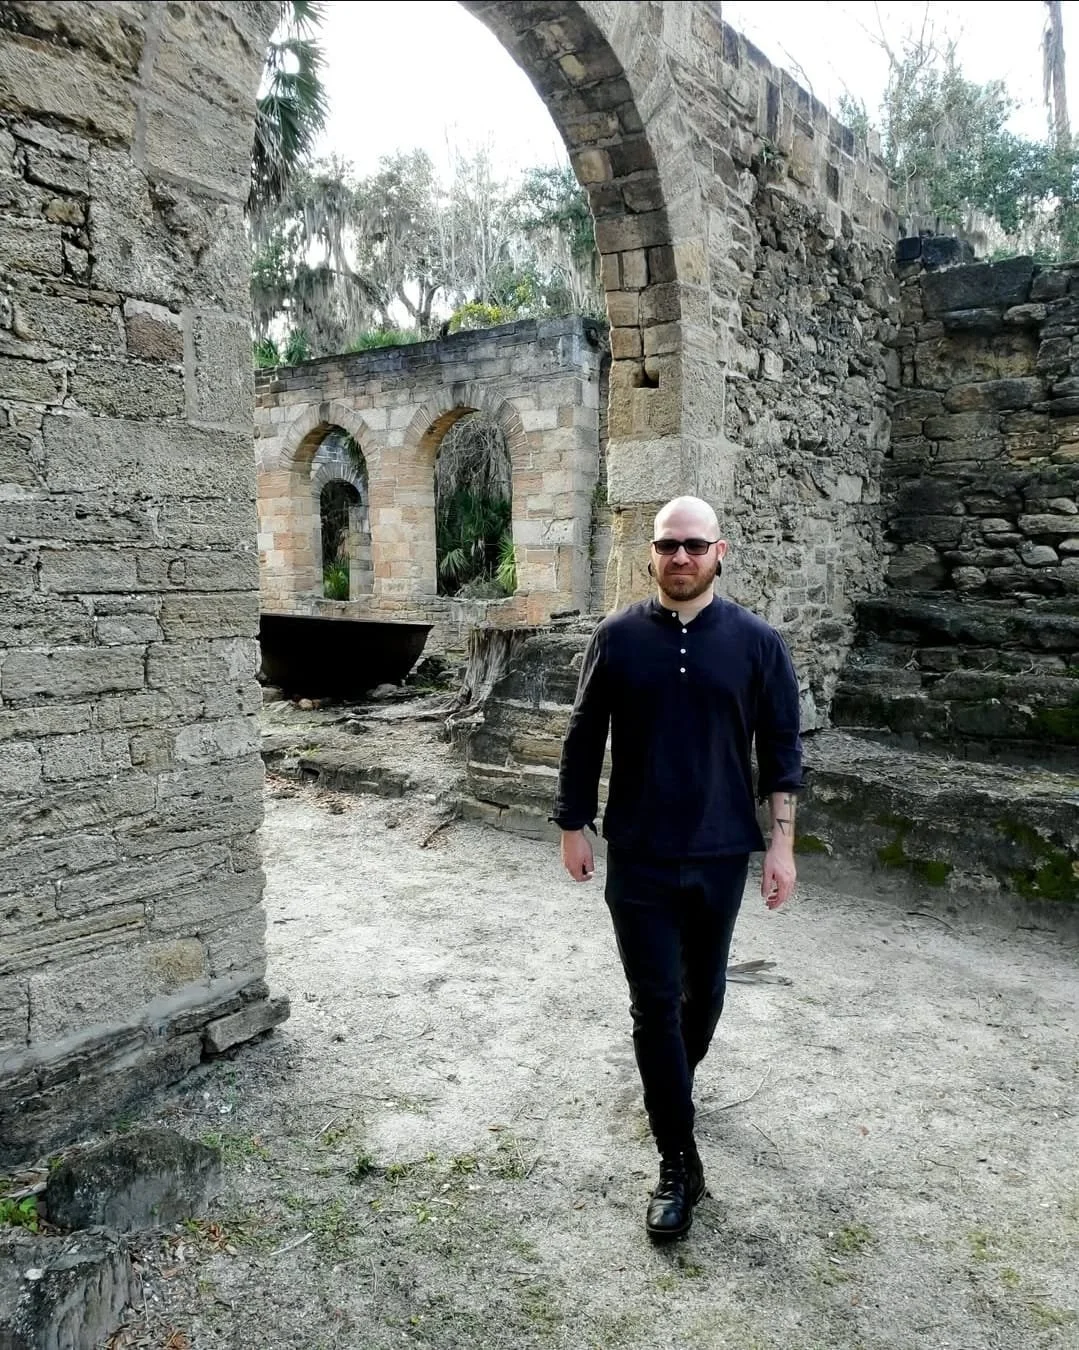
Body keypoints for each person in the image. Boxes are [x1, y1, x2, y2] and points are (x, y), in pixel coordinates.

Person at [552, 495, 802, 1242]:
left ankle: (671, 1089)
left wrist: (781, 844)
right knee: (653, 1003)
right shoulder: (617, 637)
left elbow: (781, 751)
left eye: (694, 545)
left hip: (722, 852)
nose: (681, 557)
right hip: (639, 853)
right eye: (668, 545)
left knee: (705, 993)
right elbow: (582, 734)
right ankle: (677, 1160)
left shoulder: (757, 642)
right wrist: (572, 823)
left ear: (719, 552)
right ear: (652, 554)